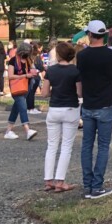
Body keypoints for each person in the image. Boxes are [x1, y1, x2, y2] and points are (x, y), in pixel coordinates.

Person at [76, 20, 112, 199]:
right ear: (104, 35)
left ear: (90, 34)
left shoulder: (82, 56)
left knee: (86, 146)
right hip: (106, 104)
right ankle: (97, 186)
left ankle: (87, 185)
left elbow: (79, 77)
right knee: (103, 146)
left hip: (88, 105)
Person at [40, 42, 82, 192]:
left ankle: (48, 180)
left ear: (58, 55)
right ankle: (60, 181)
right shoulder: (75, 71)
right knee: (66, 146)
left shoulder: (51, 71)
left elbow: (44, 93)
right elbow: (79, 93)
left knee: (51, 145)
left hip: (54, 109)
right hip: (70, 108)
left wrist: (55, 91)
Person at [4, 43, 40, 141]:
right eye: (27, 52)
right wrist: (24, 76)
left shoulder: (28, 60)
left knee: (16, 108)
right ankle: (27, 130)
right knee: (23, 107)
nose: (27, 54)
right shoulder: (13, 60)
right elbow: (10, 76)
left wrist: (33, 72)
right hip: (17, 88)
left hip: (26, 87)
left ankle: (8, 131)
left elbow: (32, 69)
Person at [27, 42, 46, 114]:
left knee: (29, 92)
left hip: (28, 76)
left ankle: (29, 108)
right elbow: (40, 67)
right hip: (35, 76)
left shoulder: (27, 56)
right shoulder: (36, 57)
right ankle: (31, 108)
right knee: (32, 93)